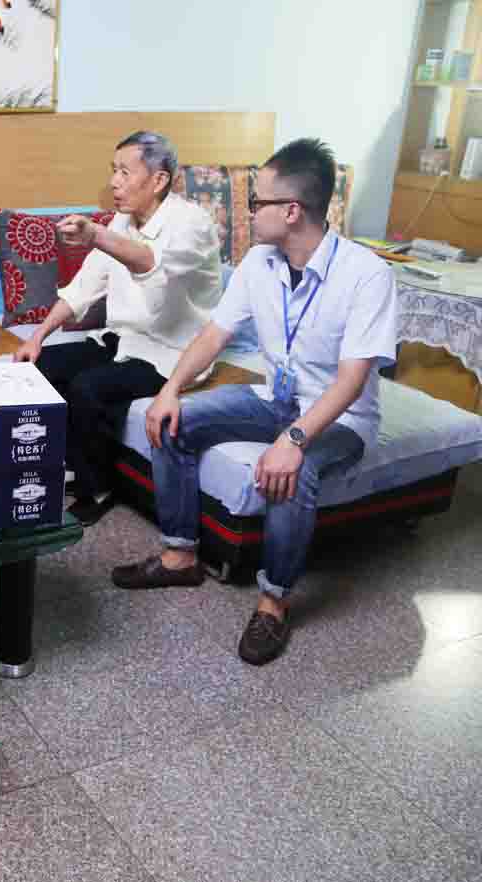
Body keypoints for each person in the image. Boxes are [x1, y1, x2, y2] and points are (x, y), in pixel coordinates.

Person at [112, 138, 396, 666]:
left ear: (292, 211)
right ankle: (179, 555)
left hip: (341, 419)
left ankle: (273, 602)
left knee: (293, 470)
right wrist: (169, 390)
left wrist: (293, 440)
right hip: (275, 399)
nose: (247, 211)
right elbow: (214, 335)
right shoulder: (259, 262)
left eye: (256, 201)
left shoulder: (367, 275)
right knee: (175, 421)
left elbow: (352, 381)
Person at [13, 131, 222, 526]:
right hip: (123, 339)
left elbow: (150, 263)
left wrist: (96, 234)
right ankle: (67, 462)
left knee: (87, 388)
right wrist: (37, 337)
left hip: (171, 352)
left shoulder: (192, 224)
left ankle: (100, 487)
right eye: (113, 171)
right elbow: (84, 287)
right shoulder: (122, 221)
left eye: (125, 172)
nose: (113, 182)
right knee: (40, 367)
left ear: (158, 180)